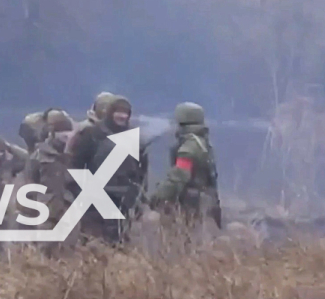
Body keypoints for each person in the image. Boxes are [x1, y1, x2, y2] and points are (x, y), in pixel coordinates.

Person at [67, 94, 149, 244]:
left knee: (118, 243)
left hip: (123, 200)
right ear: (110, 112)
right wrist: (80, 191)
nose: (122, 116)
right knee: (92, 242)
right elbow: (76, 164)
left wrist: (139, 198)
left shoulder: (136, 139)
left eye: (126, 112)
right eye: (118, 111)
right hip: (95, 200)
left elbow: (142, 172)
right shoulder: (92, 134)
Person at [148, 102, 222, 234]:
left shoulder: (188, 148)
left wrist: (157, 197)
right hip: (205, 200)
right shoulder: (203, 143)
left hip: (191, 205)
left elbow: (179, 176)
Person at [26, 111, 79, 257]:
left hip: (69, 209)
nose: (66, 135)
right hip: (46, 209)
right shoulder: (39, 155)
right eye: (62, 131)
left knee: (69, 253)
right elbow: (31, 182)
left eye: (68, 132)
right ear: (53, 133)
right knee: (44, 251)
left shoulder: (76, 154)